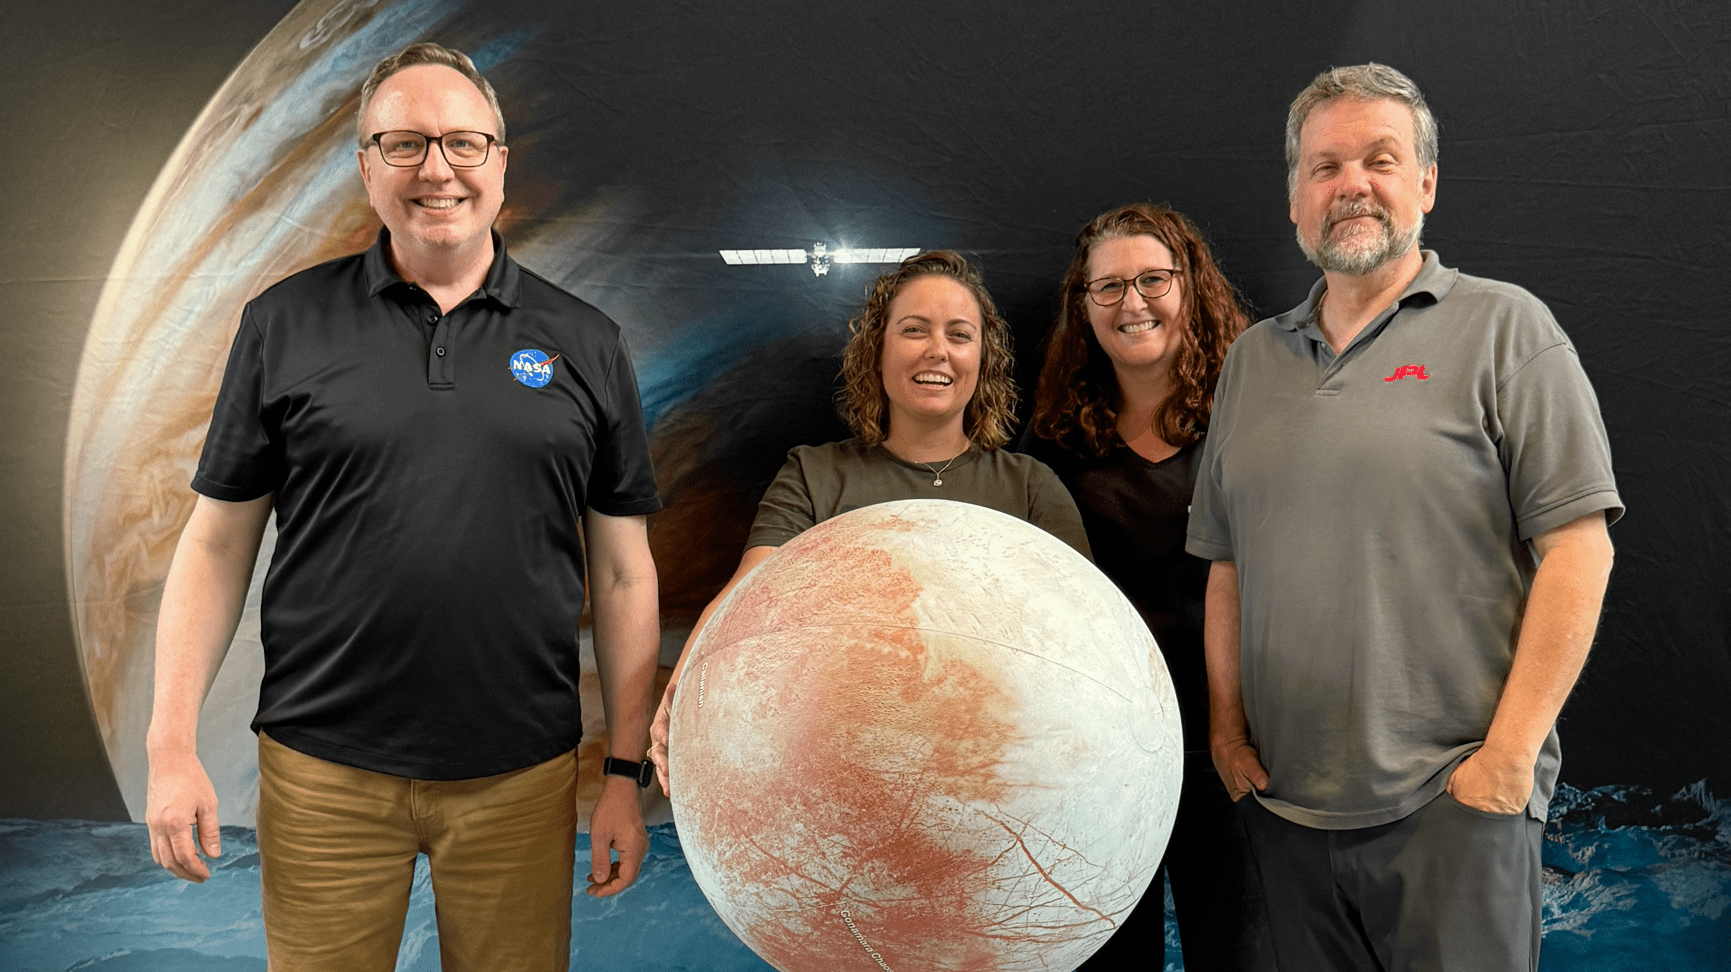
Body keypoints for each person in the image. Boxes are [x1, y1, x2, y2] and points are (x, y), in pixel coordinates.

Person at [144, 43, 662, 971]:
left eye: (464, 142)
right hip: (321, 775)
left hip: (521, 778)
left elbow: (624, 570)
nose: (437, 170)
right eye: (404, 144)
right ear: (365, 167)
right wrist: (170, 744)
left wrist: (624, 773)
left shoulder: (587, 342)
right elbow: (217, 545)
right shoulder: (283, 322)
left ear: (502, 160)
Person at [1187, 63, 1621, 972]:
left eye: (1379, 161)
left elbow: (1579, 553)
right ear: (1295, 202)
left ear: (1424, 182)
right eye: (1324, 166)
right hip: (1286, 814)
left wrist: (1505, 761)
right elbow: (1225, 566)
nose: (1351, 184)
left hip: (1452, 806)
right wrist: (1226, 734)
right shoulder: (1251, 364)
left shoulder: (1508, 330)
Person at [647, 249, 1090, 794]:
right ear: (877, 351)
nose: (938, 351)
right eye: (914, 330)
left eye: (959, 334)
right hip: (843, 774)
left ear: (984, 358)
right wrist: (684, 689)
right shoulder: (814, 476)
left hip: (1000, 780)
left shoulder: (1029, 488)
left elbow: (1084, 645)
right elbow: (746, 596)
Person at [1022, 203, 1275, 971]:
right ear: (1083, 307)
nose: (1132, 304)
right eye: (1108, 288)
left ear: (1190, 287)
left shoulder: (1257, 422)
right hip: (1099, 770)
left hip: (1236, 760)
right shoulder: (1053, 446)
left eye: (1153, 280)